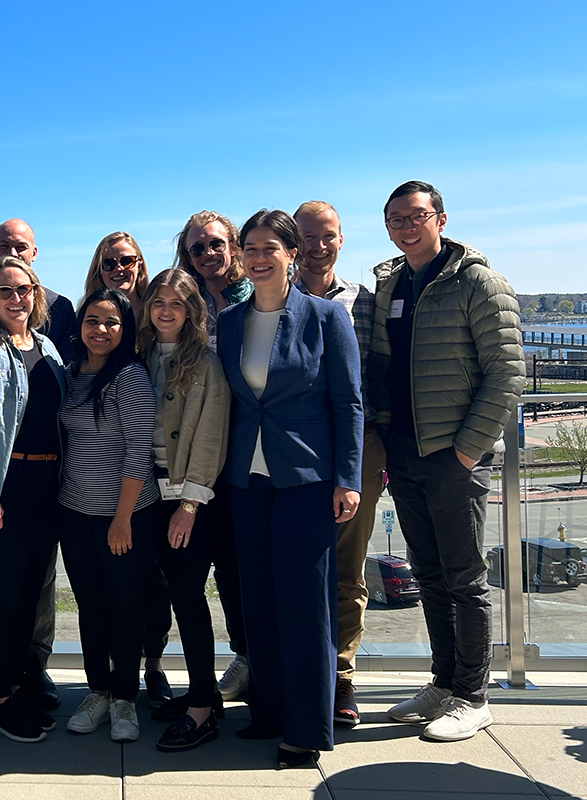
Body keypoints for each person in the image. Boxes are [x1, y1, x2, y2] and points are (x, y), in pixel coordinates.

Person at [371, 181, 523, 741]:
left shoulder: (477, 281)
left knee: (465, 578)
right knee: (429, 575)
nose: (406, 226)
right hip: (405, 453)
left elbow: (507, 373)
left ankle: (473, 694)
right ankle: (442, 682)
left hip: (452, 456)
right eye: (395, 219)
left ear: (440, 218)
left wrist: (467, 448)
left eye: (416, 216)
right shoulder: (391, 284)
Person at [217, 209, 362, 768]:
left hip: (307, 478)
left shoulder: (326, 318)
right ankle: (270, 713)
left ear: (292, 253)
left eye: (268, 248)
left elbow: (348, 403)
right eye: (248, 248)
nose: (257, 258)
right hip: (247, 479)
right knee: (259, 599)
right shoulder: (231, 321)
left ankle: (307, 728)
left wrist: (347, 477)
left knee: (305, 604)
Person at [0, 218, 76, 711]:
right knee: (3, 594)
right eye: (3, 291)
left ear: (36, 292)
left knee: (32, 590)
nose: (15, 298)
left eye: (23, 289)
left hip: (47, 483)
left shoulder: (48, 349)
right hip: (5, 486)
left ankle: (25, 681)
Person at [135, 269, 232, 752]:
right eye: (158, 303)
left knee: (189, 598)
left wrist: (190, 505)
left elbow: (211, 439)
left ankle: (202, 709)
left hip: (187, 499)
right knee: (163, 592)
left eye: (177, 303)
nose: (166, 311)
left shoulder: (206, 364)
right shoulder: (142, 356)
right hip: (145, 493)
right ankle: (201, 692)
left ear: (193, 311)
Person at [292, 201, 380, 727]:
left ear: (342, 239)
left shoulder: (363, 301)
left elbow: (376, 377)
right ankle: (293, 669)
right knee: (296, 563)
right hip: (293, 446)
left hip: (355, 446)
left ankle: (340, 675)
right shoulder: (273, 298)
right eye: (307, 237)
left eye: (327, 236)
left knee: (348, 565)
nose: (317, 246)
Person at [58, 288, 159, 744]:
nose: (101, 330)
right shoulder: (70, 374)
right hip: (75, 512)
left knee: (125, 607)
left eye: (112, 322)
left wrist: (122, 519)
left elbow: (140, 453)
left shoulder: (131, 377)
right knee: (89, 606)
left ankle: (124, 699)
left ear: (126, 329)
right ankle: (97, 690)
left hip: (125, 515)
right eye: (92, 320)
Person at [171, 210, 253, 700]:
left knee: (240, 571)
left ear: (234, 247)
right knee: (196, 576)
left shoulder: (258, 299)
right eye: (196, 248)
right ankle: (212, 674)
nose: (207, 255)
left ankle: (250, 658)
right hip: (197, 457)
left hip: (248, 454)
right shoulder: (188, 304)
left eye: (215, 245)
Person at [81, 232, 150, 314]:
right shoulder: (84, 316)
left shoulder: (156, 315)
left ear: (139, 266)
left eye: (127, 261)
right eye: (109, 263)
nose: (119, 268)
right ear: (98, 269)